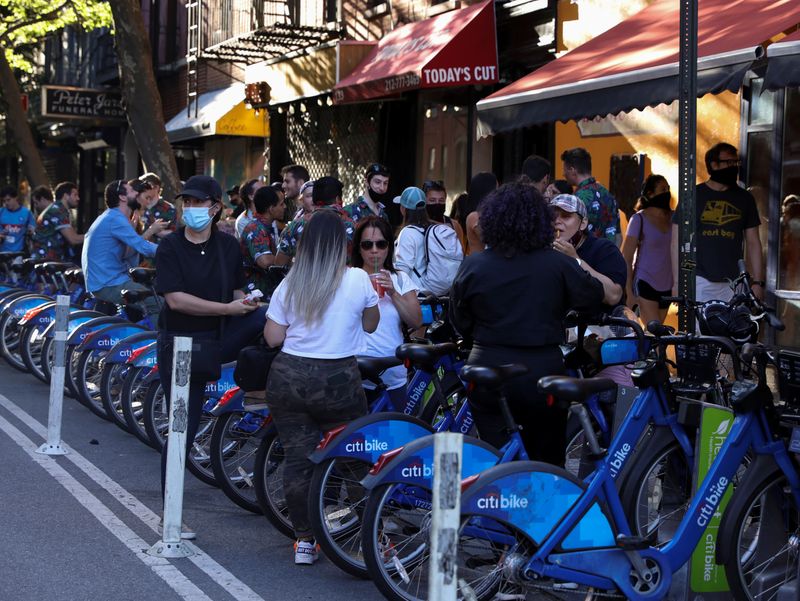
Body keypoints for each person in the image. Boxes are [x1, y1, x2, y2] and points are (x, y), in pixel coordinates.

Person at [450, 183, 605, 465]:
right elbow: (593, 297)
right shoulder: (557, 263)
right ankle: (538, 505)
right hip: (540, 370)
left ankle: (492, 502)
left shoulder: (475, 265)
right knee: (545, 461)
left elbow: (460, 320)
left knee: (494, 458)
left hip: (486, 365)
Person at [264, 209, 379, 565]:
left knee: (299, 461)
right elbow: (372, 326)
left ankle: (303, 541)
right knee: (355, 459)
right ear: (342, 244)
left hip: (289, 377)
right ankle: (370, 537)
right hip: (339, 381)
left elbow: (272, 338)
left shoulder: (291, 281)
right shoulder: (359, 279)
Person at [155, 175, 266, 531]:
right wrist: (227, 311)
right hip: (182, 347)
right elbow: (175, 300)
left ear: (216, 208)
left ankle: (260, 390)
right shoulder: (170, 246)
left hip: (219, 339)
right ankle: (170, 513)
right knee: (182, 430)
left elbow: (234, 294)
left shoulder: (228, 246)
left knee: (267, 317)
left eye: (198, 202)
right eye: (186, 202)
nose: (191, 209)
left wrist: (246, 304)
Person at [671, 142, 764, 302]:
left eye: (736, 162)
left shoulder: (745, 198)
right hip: (699, 279)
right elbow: (677, 241)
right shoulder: (692, 196)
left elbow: (754, 242)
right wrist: (679, 281)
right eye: (729, 162)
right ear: (713, 165)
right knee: (698, 328)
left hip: (734, 283)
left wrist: (757, 282)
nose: (734, 167)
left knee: (733, 327)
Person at [352, 215, 422, 409]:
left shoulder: (400, 278)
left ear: (389, 247)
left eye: (381, 244)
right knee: (360, 436)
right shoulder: (348, 278)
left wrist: (392, 292)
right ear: (358, 247)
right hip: (356, 374)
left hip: (393, 372)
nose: (374, 251)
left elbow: (416, 321)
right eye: (367, 245)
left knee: (394, 435)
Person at [81, 180, 166, 318]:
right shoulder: (115, 219)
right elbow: (143, 247)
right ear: (122, 197)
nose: (137, 193)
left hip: (105, 281)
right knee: (159, 304)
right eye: (132, 191)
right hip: (109, 283)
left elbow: (128, 253)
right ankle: (157, 340)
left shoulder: (112, 216)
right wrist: (173, 251)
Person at [551, 193, 626, 310]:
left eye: (566, 216)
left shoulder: (604, 249)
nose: (557, 221)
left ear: (583, 223)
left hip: (599, 326)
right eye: (552, 216)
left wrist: (576, 260)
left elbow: (613, 296)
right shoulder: (546, 251)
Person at [621, 174, 673, 324]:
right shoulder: (639, 219)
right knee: (654, 329)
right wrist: (629, 292)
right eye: (663, 189)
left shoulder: (674, 218)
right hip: (645, 281)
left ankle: (646, 348)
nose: (667, 192)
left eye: (668, 189)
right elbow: (627, 257)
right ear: (650, 194)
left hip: (668, 283)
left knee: (656, 333)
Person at [394, 186, 463, 297]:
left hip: (418, 296)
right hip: (439, 297)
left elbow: (402, 271)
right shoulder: (433, 228)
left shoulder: (407, 233)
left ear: (403, 209)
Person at [274, 176, 356, 265]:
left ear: (314, 199)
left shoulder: (295, 226)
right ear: (337, 199)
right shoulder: (351, 226)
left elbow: (279, 263)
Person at [561, 147, 621, 245]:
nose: (563, 174)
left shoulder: (577, 199)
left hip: (584, 258)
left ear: (572, 170)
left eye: (564, 170)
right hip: (609, 255)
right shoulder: (607, 194)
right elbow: (618, 236)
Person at [241, 185, 285, 297]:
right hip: (254, 296)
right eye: (281, 204)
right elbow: (265, 261)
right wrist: (286, 258)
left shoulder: (265, 227)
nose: (284, 207)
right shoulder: (255, 228)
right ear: (271, 209)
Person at [30, 181, 84, 261]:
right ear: (66, 196)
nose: (78, 198)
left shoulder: (57, 209)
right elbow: (73, 239)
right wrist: (93, 236)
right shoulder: (58, 211)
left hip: (45, 260)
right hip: (47, 262)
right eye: (75, 195)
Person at [422, 179, 465, 251]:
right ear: (424, 201)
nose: (437, 204)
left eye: (441, 200)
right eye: (432, 200)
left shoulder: (454, 225)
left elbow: (460, 253)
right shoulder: (417, 224)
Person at [463, 172, 499, 254]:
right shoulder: (474, 216)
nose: (499, 194)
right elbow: (491, 240)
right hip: (482, 265)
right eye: (497, 190)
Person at [0, 186, 36, 253]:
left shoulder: (26, 213)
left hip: (19, 253)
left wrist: (30, 231)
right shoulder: (1, 212)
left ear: (16, 198)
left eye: (8, 200)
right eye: (4, 201)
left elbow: (33, 231)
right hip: (2, 253)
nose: (6, 203)